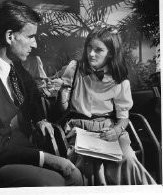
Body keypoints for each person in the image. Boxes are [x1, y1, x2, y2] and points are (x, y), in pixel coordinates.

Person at [0, 0, 83, 187]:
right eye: (30, 36)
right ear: (10, 36)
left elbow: (30, 88)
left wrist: (40, 119)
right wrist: (46, 158)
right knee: (58, 181)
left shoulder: (12, 62)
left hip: (13, 145)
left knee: (74, 173)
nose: (35, 43)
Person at [58, 22, 156, 185]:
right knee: (87, 162)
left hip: (108, 127)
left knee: (128, 158)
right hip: (78, 126)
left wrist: (116, 131)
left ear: (110, 54)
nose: (91, 54)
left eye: (98, 50)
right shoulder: (75, 68)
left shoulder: (119, 80)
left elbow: (123, 118)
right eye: (89, 48)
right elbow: (62, 108)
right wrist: (62, 92)